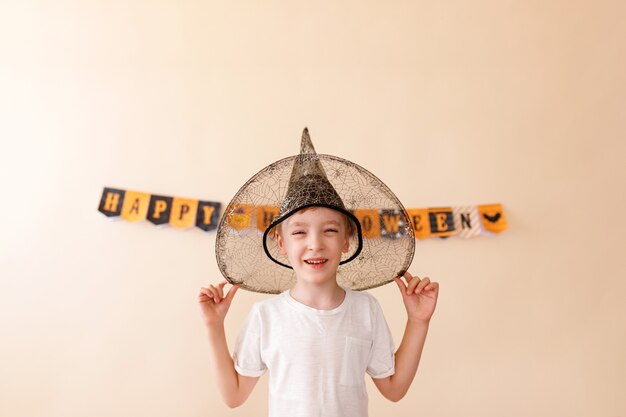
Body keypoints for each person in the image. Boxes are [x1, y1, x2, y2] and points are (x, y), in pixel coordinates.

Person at [198, 128, 439, 417]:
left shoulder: (366, 310)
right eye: (299, 232)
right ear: (281, 242)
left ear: (347, 239)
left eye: (329, 230)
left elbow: (394, 388)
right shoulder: (266, 316)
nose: (315, 244)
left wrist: (418, 320)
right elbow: (234, 395)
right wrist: (214, 326)